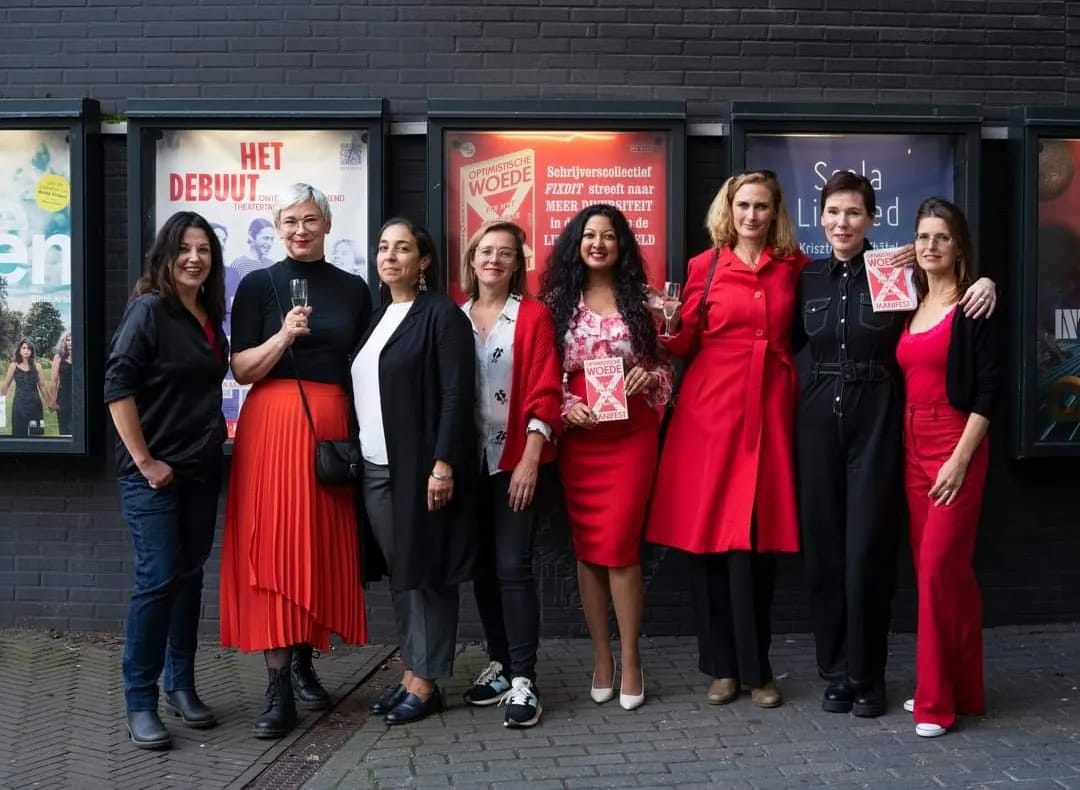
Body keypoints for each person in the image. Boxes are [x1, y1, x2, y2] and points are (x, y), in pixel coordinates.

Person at [795, 172, 997, 718]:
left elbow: (948, 294)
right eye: (833, 212)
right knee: (825, 552)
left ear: (871, 219)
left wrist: (987, 281)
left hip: (879, 423)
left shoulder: (893, 271)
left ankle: (868, 675)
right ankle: (836, 671)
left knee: (868, 552)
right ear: (820, 217)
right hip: (818, 421)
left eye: (853, 213)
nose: (842, 222)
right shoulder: (805, 277)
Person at [647, 171, 807, 709]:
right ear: (729, 209)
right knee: (708, 543)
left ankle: (758, 671)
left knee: (757, 545)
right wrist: (670, 324)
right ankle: (721, 668)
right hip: (710, 413)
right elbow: (683, 343)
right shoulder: (706, 265)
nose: (752, 215)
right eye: (743, 205)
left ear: (775, 211)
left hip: (769, 410)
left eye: (762, 206)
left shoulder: (794, 266)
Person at [219, 184, 371, 739]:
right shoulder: (258, 284)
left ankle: (305, 660)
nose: (300, 230)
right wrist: (283, 336)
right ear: (278, 227)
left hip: (331, 425)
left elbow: (366, 365)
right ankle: (278, 685)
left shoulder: (353, 288)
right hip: (272, 426)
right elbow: (241, 369)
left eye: (310, 219)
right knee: (276, 546)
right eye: (290, 221)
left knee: (318, 545)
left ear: (327, 224)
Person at [539, 204, 672, 712]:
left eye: (608, 236)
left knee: (619, 545)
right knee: (588, 548)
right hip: (582, 436)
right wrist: (565, 406)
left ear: (622, 246)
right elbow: (542, 371)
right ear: (577, 244)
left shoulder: (645, 300)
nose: (598, 243)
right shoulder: (556, 304)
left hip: (632, 435)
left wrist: (649, 376)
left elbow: (666, 367)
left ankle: (632, 658)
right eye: (589, 235)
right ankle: (601, 658)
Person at [103, 211, 228, 749]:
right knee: (157, 580)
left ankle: (181, 684)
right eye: (184, 248)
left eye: (204, 250)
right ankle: (140, 700)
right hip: (152, 477)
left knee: (188, 576)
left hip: (199, 471)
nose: (194, 258)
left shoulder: (207, 313)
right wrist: (145, 460)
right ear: (166, 255)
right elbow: (117, 387)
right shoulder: (149, 310)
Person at [353, 218, 476, 726]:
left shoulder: (441, 315)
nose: (389, 256)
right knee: (404, 574)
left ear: (423, 261)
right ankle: (411, 672)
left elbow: (456, 394)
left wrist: (443, 464)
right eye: (383, 247)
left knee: (426, 573)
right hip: (376, 466)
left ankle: (426, 682)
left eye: (402, 248)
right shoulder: (379, 316)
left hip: (421, 469)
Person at [896, 198, 1001, 738]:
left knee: (938, 571)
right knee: (944, 574)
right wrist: (906, 253)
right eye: (922, 236)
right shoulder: (909, 300)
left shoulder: (973, 305)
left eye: (942, 237)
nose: (930, 246)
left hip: (955, 443)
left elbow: (989, 392)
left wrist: (960, 460)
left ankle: (935, 703)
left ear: (959, 246)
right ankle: (965, 688)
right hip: (911, 445)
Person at [458, 221, 561, 728]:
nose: (494, 260)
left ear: (517, 264)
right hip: (467, 464)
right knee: (481, 567)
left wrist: (530, 458)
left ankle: (525, 679)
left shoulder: (533, 315)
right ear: (472, 259)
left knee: (512, 565)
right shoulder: (454, 317)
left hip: (514, 459)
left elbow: (546, 388)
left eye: (505, 253)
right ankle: (499, 664)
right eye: (485, 251)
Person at [2, 339, 48, 437]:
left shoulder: (37, 366)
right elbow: (6, 385)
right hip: (19, 405)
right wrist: (1, 401)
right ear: (19, 350)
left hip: (35, 405)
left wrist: (50, 402)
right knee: (18, 435)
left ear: (32, 351)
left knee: (37, 435)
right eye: (24, 348)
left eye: (29, 348)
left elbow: (42, 386)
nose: (26, 350)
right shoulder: (13, 366)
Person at [49, 330, 73, 436]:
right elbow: (54, 380)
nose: (71, 342)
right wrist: (53, 401)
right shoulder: (58, 357)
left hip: (79, 396)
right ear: (64, 342)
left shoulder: (82, 356)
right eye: (68, 340)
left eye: (73, 339)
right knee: (64, 429)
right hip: (64, 397)